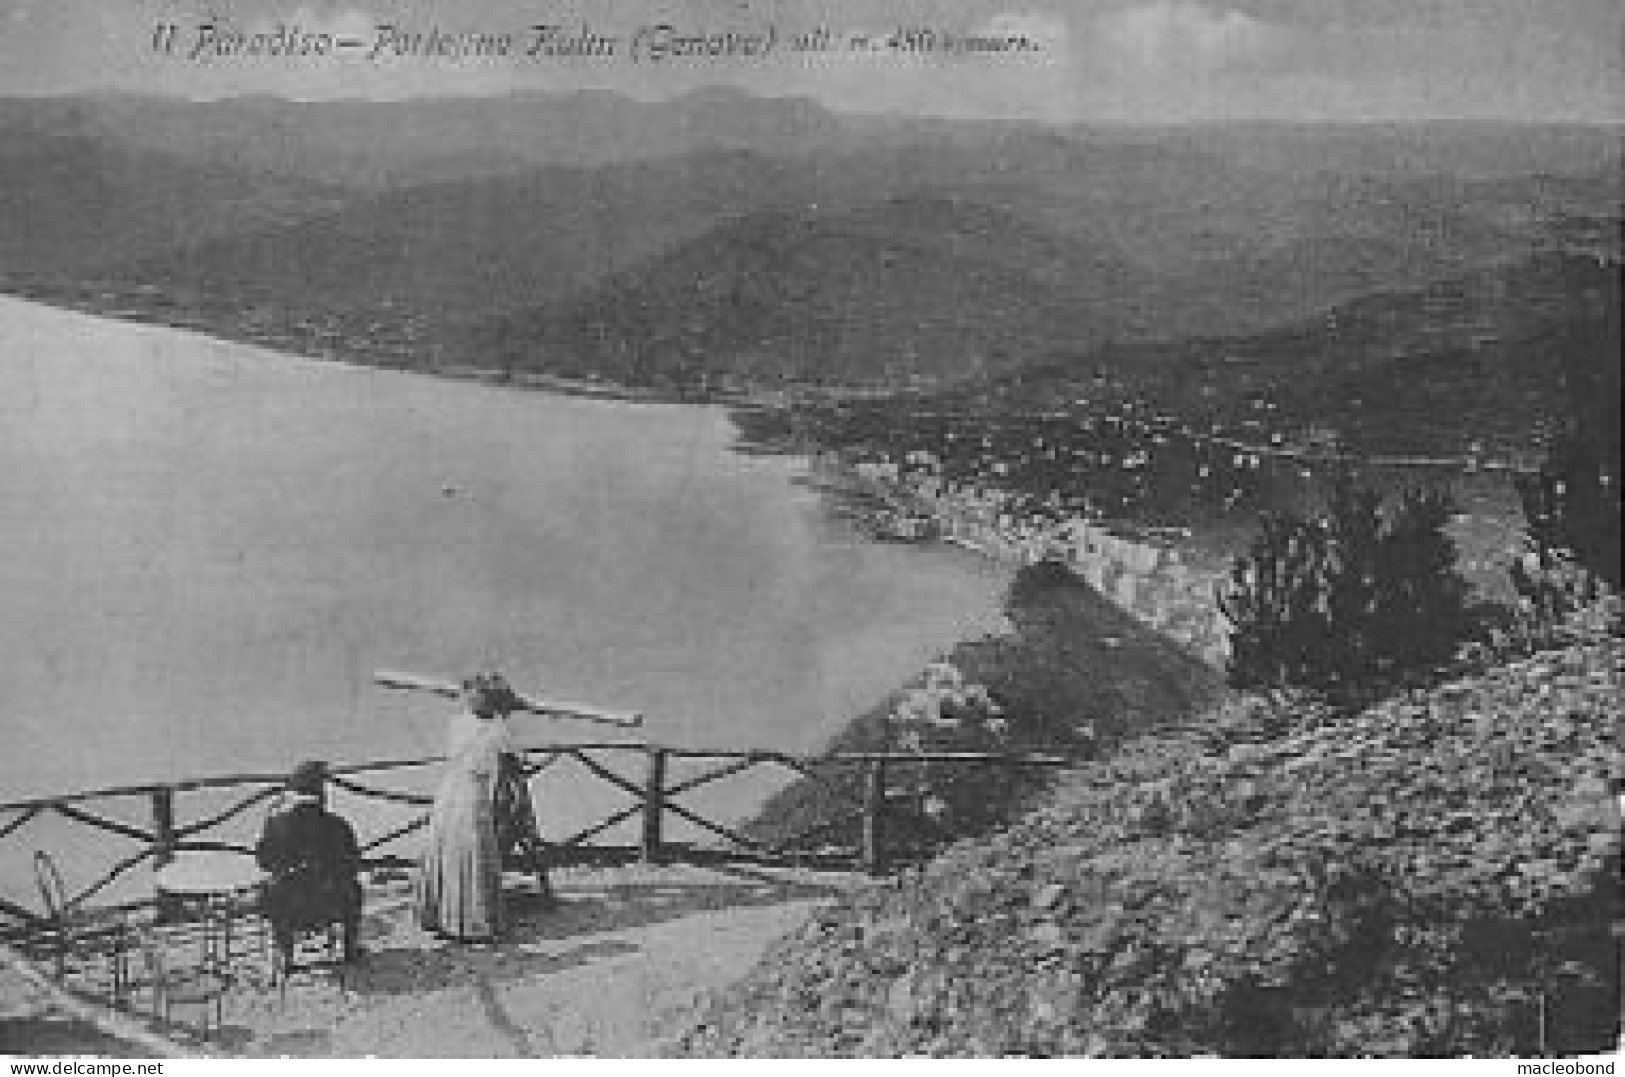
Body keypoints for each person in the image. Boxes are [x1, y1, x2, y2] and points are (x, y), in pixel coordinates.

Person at [416, 672, 522, 941]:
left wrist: (512, 795)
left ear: (491, 700)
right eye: (470, 693)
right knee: (444, 844)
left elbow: (511, 766)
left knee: (472, 848)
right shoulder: (459, 722)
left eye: (478, 694)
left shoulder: (500, 730)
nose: (471, 699)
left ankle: (471, 921)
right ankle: (441, 916)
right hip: (452, 787)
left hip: (476, 790)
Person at [255, 760, 364, 964]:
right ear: (321, 792)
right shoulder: (339, 825)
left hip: (289, 908)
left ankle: (286, 955)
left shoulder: (277, 825)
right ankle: (350, 950)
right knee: (354, 888)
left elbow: (263, 862)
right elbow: (353, 865)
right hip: (331, 904)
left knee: (272, 889)